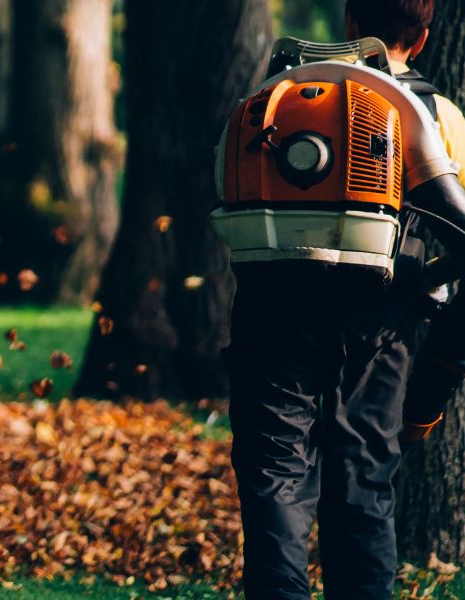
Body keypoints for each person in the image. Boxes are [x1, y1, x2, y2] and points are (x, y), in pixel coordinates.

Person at [228, 2, 462, 598]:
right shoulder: (441, 117)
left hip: (272, 307)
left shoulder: (276, 97)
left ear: (352, 21)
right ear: (427, 36)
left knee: (274, 477)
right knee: (362, 481)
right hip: (380, 320)